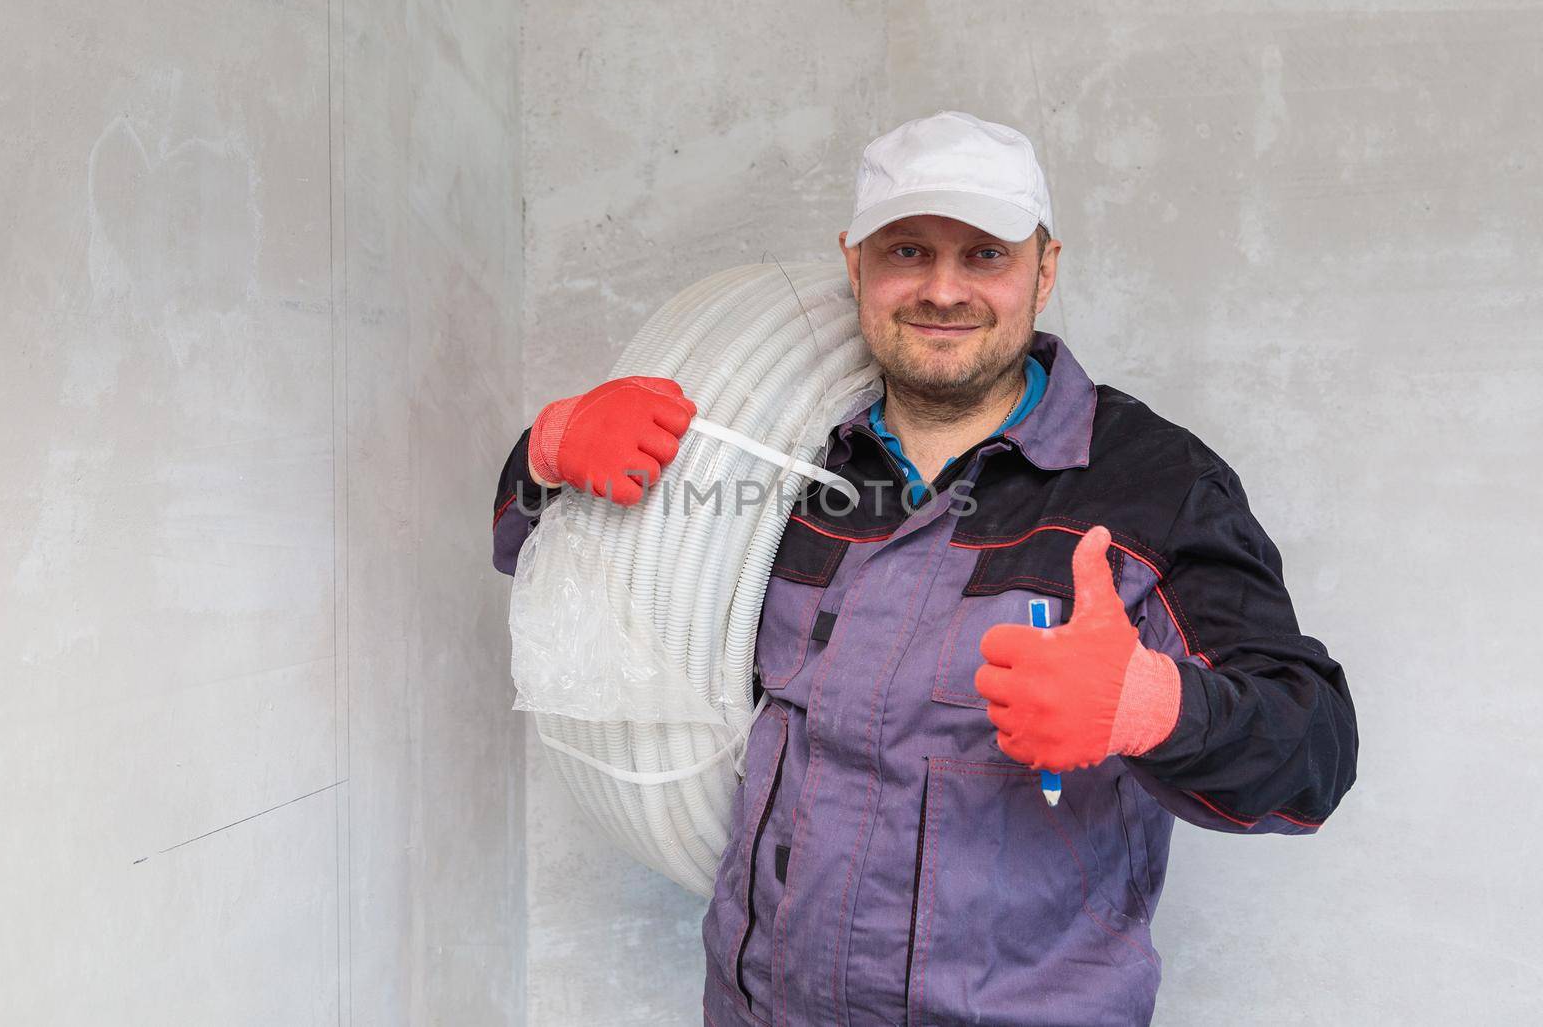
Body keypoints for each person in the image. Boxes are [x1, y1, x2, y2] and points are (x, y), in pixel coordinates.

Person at [491, 110, 1358, 1026]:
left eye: (986, 254)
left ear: (1045, 269)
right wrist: (545, 455)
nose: (944, 290)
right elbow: (571, 576)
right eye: (908, 251)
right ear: (855, 263)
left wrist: (1154, 705)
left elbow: (1314, 755)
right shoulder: (778, 463)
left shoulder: (1152, 485)